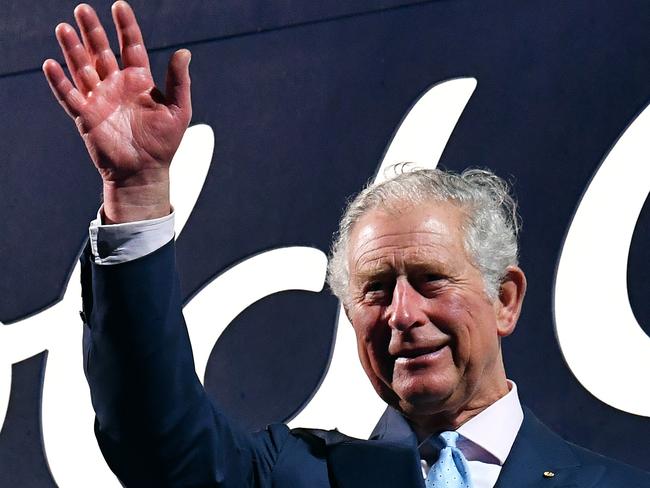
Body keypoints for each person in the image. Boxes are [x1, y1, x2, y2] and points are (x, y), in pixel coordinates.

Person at [43, 2, 650, 487]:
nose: (403, 315)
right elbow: (159, 438)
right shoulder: (300, 474)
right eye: (375, 291)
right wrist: (139, 192)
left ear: (506, 299)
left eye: (431, 279)